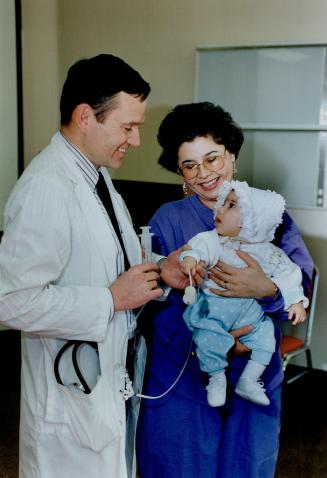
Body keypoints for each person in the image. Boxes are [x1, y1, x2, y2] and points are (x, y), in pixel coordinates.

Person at [0, 54, 203, 478]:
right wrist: (109, 300)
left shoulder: (97, 176)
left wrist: (161, 269)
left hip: (108, 378)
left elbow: (112, 261)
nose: (136, 140)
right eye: (128, 127)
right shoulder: (45, 188)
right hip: (70, 399)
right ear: (85, 116)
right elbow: (10, 301)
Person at [136, 102, 314, 478]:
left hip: (255, 367)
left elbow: (301, 285)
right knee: (180, 465)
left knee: (247, 466)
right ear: (179, 171)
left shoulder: (270, 218)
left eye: (213, 158)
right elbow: (147, 300)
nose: (204, 174)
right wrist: (211, 336)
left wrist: (267, 291)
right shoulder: (169, 220)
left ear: (231, 155)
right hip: (183, 373)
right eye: (190, 165)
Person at [179, 180, 308, 408]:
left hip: (252, 315)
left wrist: (295, 301)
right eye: (223, 204)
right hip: (214, 310)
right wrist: (189, 258)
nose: (219, 210)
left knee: (266, 336)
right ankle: (216, 378)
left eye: (231, 206)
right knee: (208, 336)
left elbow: (289, 274)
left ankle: (249, 379)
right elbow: (195, 248)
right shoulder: (214, 241)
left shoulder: (269, 252)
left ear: (253, 220)